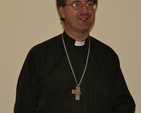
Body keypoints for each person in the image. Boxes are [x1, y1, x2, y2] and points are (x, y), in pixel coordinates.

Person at [14, 0, 136, 113]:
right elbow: (24, 107)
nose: (84, 10)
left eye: (89, 4)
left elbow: (124, 104)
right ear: (62, 11)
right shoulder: (39, 56)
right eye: (76, 4)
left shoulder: (107, 56)